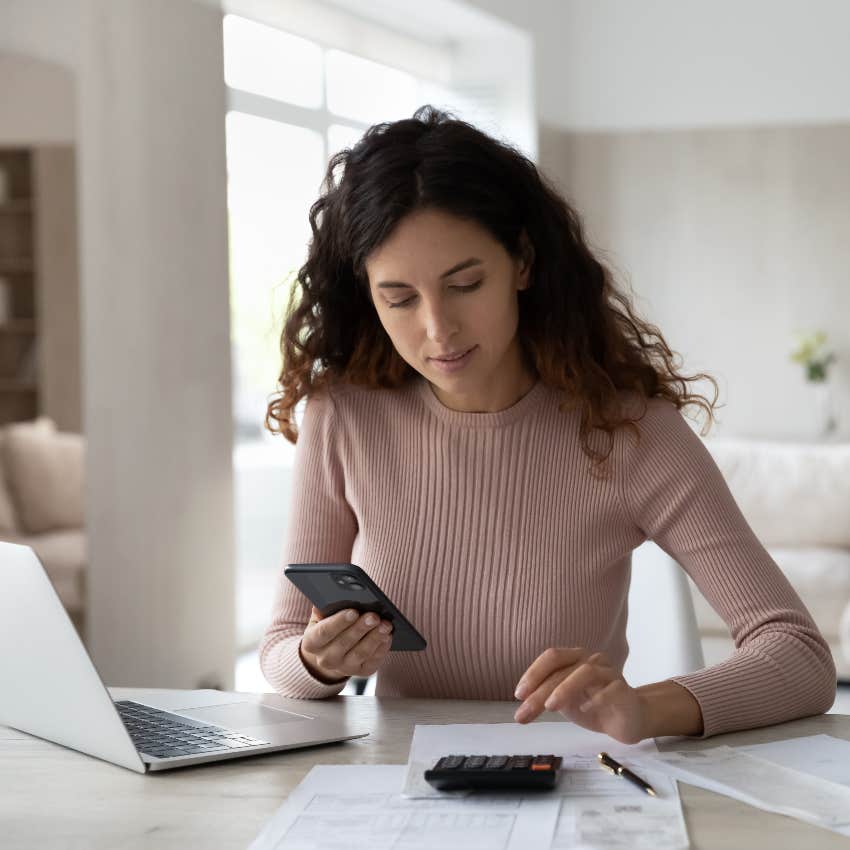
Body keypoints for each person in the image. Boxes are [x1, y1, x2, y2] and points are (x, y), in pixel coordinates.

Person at [259, 105, 835, 744]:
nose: (437, 329)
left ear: (523, 263)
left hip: (570, 786)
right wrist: (318, 661)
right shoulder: (345, 415)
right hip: (398, 784)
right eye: (399, 298)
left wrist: (647, 708)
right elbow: (282, 650)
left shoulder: (629, 430)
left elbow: (799, 656)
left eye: (466, 283)